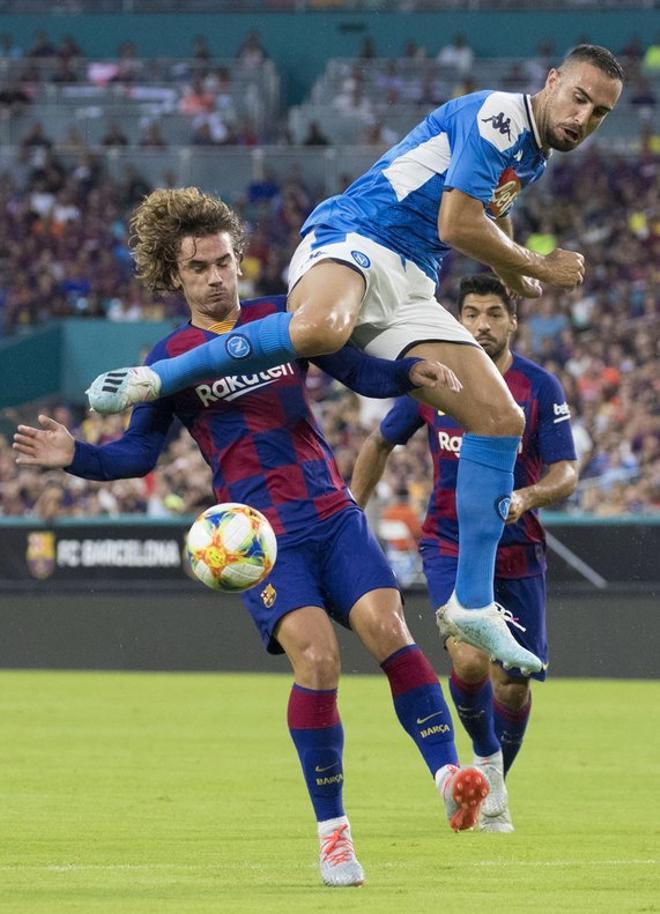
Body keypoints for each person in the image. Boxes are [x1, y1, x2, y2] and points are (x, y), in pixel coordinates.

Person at [86, 44, 623, 675]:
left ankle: (473, 604)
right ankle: (157, 377)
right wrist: (535, 263)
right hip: (356, 236)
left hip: (411, 279)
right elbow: (455, 223)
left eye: (600, 113)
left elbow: (461, 223)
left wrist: (510, 265)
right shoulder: (501, 118)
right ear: (552, 81)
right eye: (579, 98)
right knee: (319, 328)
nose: (584, 118)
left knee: (500, 419)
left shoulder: (531, 153)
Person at [13, 189, 489, 889]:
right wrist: (77, 455)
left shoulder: (282, 320)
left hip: (331, 515)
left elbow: (358, 370)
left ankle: (450, 777)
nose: (215, 276)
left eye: (224, 261)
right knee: (320, 662)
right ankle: (334, 837)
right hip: (263, 538)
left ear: (240, 261)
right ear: (176, 277)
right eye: (199, 267)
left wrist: (408, 374)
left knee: (390, 628)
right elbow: (136, 458)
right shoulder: (168, 357)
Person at [350, 274, 578, 832]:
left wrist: (528, 495)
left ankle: (492, 776)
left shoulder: (538, 386)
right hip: (449, 541)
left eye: (494, 313)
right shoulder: (439, 381)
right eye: (471, 312)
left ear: (512, 321)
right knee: (470, 659)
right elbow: (380, 441)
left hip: (517, 550)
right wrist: (350, 513)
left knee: (514, 684)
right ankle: (487, 765)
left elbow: (566, 471)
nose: (482, 323)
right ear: (457, 320)